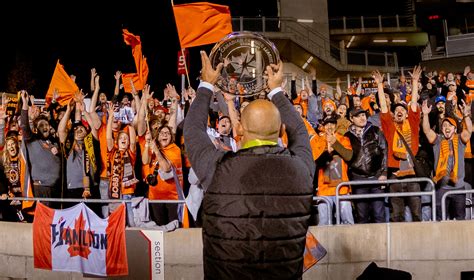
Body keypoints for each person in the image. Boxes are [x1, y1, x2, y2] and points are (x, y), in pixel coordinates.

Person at [184, 51, 314, 279]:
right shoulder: (302, 169)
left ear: (240, 130)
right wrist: (276, 90)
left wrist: (206, 84)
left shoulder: (218, 169)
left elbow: (193, 131)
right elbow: (300, 132)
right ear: (281, 131)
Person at [422, 100, 472, 220]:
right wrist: (425, 115)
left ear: (455, 129)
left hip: (458, 187)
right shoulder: (438, 140)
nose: (447, 128)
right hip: (441, 188)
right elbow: (427, 131)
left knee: (460, 218)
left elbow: (469, 130)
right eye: (444, 126)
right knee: (440, 218)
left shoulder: (460, 139)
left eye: (450, 126)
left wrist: (466, 115)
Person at [345, 108, 387, 223]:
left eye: (363, 115)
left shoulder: (375, 130)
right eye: (358, 116)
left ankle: (382, 240)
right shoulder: (347, 136)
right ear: (351, 118)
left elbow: (384, 150)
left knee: (379, 214)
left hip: (376, 177)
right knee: (362, 215)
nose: (362, 118)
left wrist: (384, 173)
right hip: (358, 178)